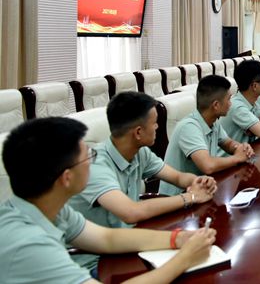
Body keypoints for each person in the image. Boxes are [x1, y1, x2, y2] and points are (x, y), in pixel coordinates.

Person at [0, 117, 216, 284]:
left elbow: (107, 238)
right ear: (66, 178)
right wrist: (185, 258)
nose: (93, 162)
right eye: (88, 156)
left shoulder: (48, 207)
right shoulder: (27, 243)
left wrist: (178, 239)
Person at [69, 92, 217, 234]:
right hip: (93, 249)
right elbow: (130, 212)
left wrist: (200, 182)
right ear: (138, 132)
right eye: (154, 123)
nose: (157, 127)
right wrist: (191, 197)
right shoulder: (95, 165)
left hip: (125, 237)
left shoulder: (140, 153)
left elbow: (177, 177)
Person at [160, 75, 254, 196]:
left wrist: (240, 148)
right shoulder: (189, 127)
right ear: (216, 105)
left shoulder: (213, 122)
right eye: (228, 99)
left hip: (201, 189)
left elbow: (228, 143)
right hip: (180, 197)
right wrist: (237, 158)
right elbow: (208, 166)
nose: (231, 104)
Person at [221, 60, 260, 144]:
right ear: (254, 86)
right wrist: (259, 125)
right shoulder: (237, 107)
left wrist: (257, 125)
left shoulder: (252, 102)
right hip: (231, 152)